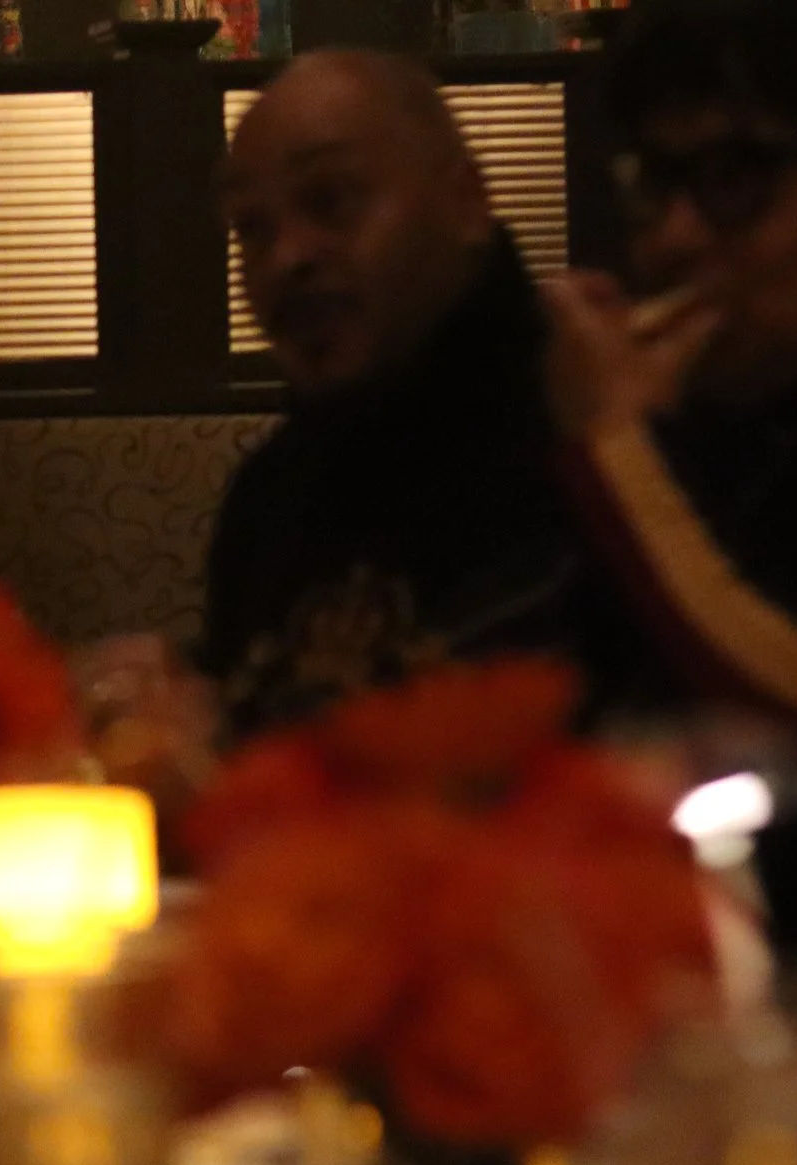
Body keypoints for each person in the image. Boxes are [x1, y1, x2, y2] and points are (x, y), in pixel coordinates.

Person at [547, 0, 797, 958]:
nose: (672, 240)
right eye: (653, 182)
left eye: (735, 179)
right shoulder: (714, 417)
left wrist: (617, 449)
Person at [202, 51, 634, 738]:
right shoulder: (270, 495)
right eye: (252, 229)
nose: (287, 258)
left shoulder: (591, 422)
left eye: (330, 200)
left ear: (466, 201)